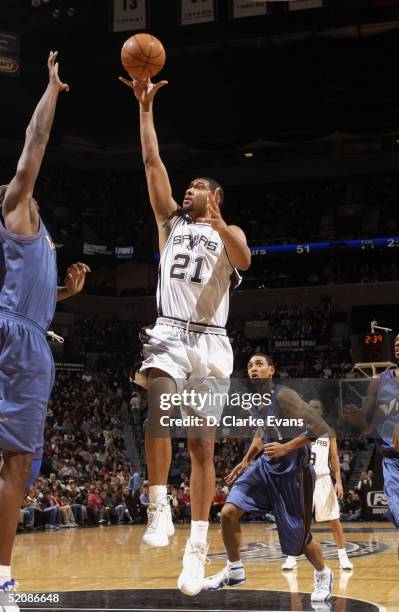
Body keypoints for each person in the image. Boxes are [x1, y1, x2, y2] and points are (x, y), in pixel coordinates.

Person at [120, 74, 250, 596]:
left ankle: (197, 549)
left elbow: (243, 258)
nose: (190, 190)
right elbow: (152, 165)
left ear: (216, 196)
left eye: (199, 186)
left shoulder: (230, 232)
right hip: (170, 331)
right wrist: (145, 109)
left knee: (201, 445)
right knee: (156, 392)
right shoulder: (170, 222)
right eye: (189, 186)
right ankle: (157, 507)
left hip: (212, 340)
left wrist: (220, 225)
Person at [0, 52, 90, 601]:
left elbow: (20, 292)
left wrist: (63, 294)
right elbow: (34, 142)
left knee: (19, 464)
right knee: (18, 461)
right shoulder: (17, 206)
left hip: (21, 326)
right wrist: (52, 91)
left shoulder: (32, 235)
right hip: (22, 340)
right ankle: (3, 578)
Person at [203, 353, 333, 603]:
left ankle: (323, 573)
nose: (253, 368)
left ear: (272, 370)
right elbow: (262, 433)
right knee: (228, 512)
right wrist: (247, 459)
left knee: (300, 538)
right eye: (250, 365)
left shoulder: (284, 395)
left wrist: (286, 447)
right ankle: (234, 569)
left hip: (295, 470)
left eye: (259, 364)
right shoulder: (254, 400)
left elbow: (321, 427)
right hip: (265, 466)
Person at [281, 399, 353, 571]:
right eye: (310, 407)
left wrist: (339, 481)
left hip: (322, 478)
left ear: (321, 411)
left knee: (334, 519)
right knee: (297, 521)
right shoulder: (298, 429)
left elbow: (334, 457)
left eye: (316, 407)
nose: (312, 409)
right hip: (302, 478)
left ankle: (343, 556)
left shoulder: (329, 431)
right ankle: (291, 557)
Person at [344, 334, 399, 556]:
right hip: (391, 460)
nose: (397, 347)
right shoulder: (378, 380)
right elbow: (367, 420)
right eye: (396, 344)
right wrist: (355, 419)